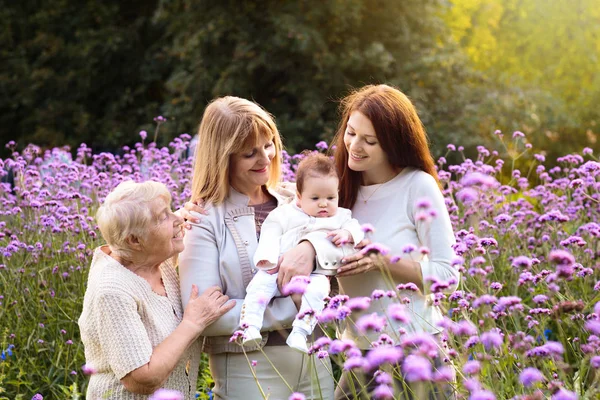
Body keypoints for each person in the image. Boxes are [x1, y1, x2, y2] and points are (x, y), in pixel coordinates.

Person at [178, 96, 334, 400]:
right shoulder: (203, 220)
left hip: (316, 357)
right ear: (223, 158)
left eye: (269, 144)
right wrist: (293, 308)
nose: (265, 158)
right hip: (248, 366)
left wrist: (313, 247)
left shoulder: (296, 199)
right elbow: (204, 314)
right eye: (250, 153)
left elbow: (339, 249)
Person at [78, 180, 235, 399]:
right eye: (164, 216)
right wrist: (193, 322)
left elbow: (162, 229)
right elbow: (142, 379)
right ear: (134, 240)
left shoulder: (154, 260)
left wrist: (185, 217)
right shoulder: (112, 290)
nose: (177, 218)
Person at [242, 153, 364, 353]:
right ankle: (250, 325)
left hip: (315, 274)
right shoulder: (285, 214)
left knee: (317, 294)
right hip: (279, 268)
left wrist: (347, 233)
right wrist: (268, 260)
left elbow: (357, 229)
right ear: (299, 197)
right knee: (259, 287)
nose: (324, 204)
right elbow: (270, 231)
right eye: (315, 198)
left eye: (331, 197)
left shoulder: (341, 217)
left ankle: (301, 331)